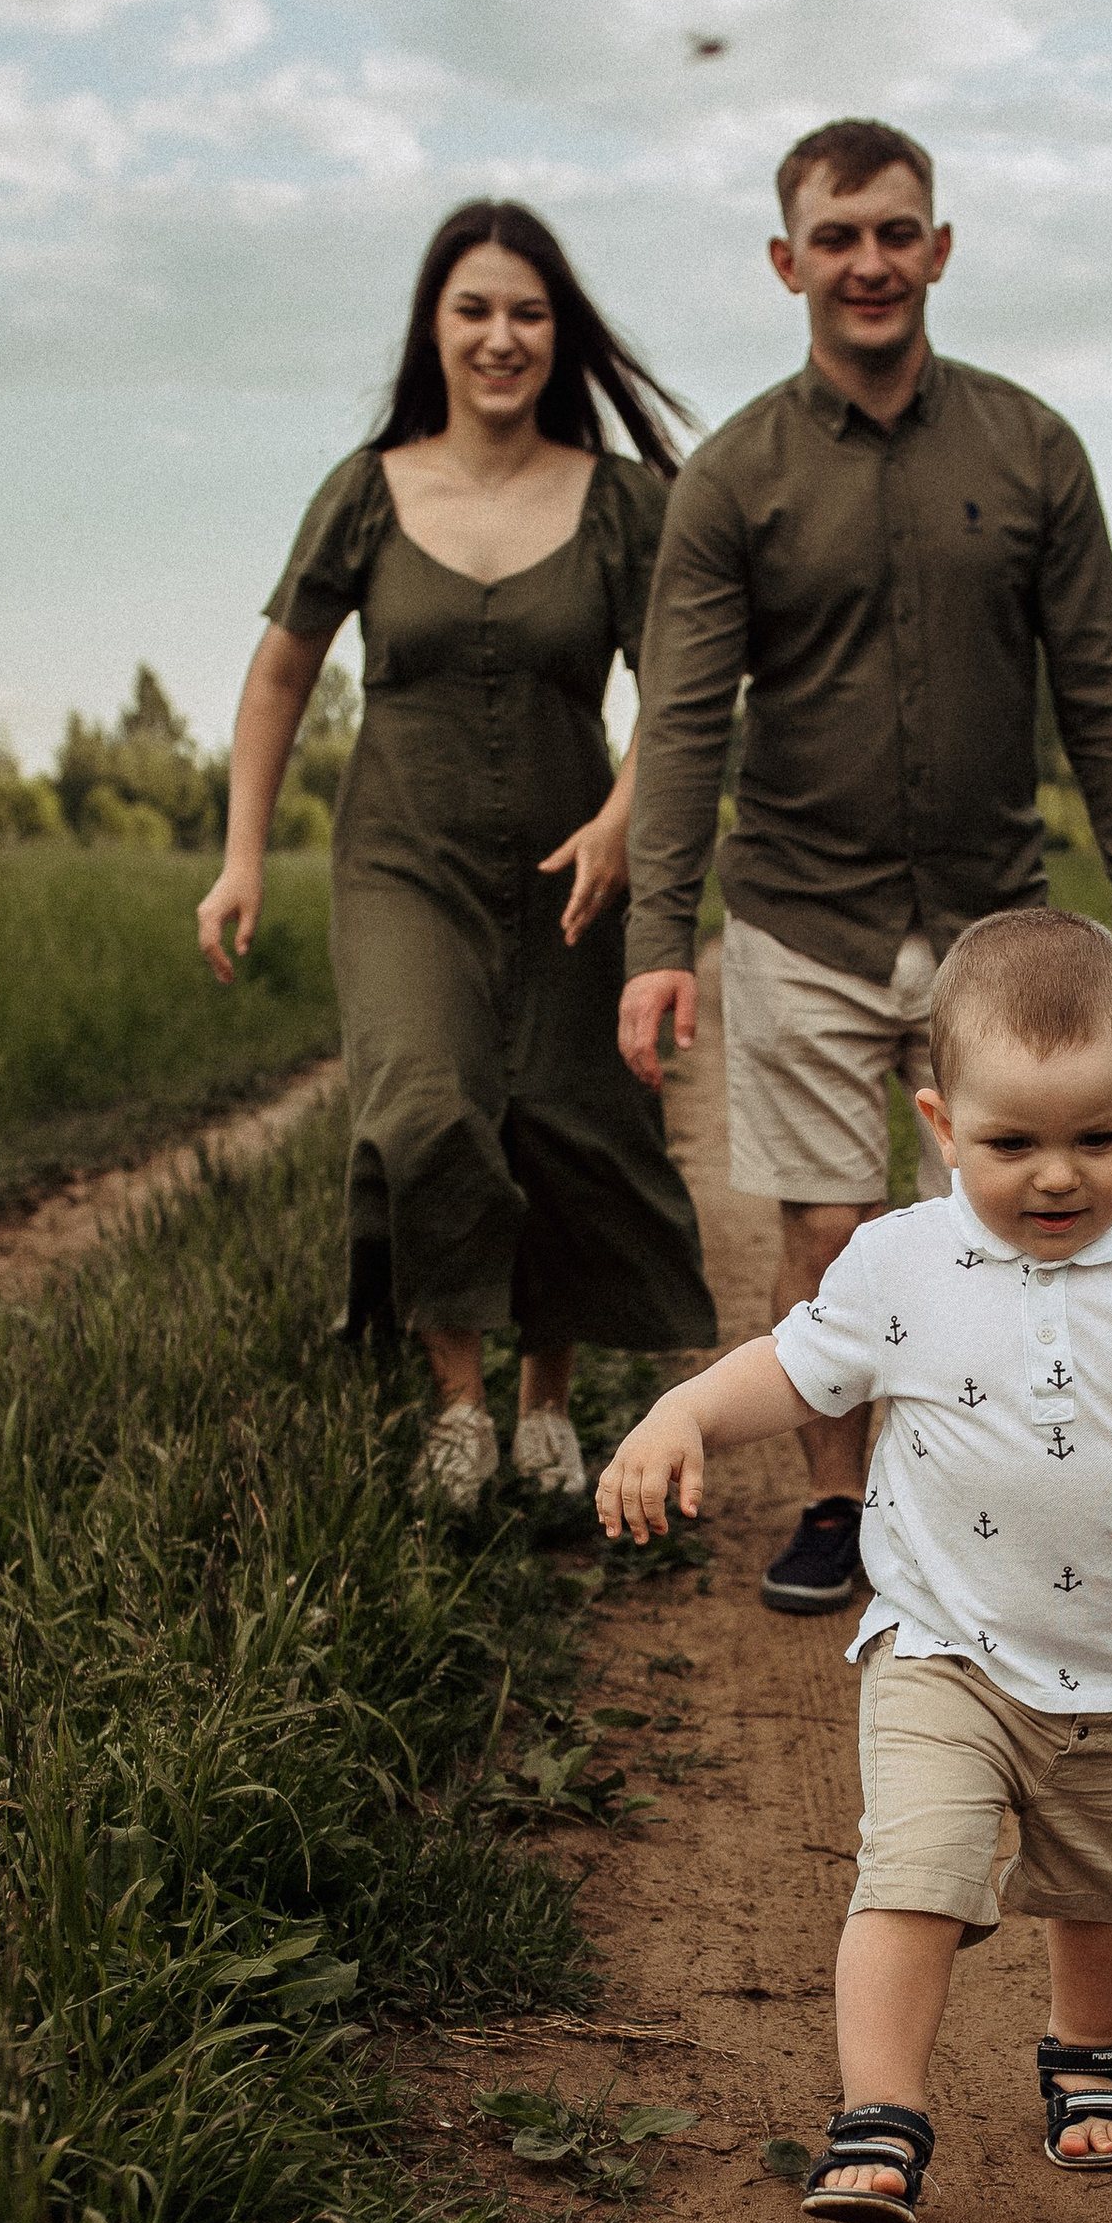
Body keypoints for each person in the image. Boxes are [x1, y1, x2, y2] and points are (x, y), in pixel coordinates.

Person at [595, 909, 1112, 2223]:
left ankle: (1086, 2048)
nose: (1056, 1176)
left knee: (1102, 1887)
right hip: (940, 1648)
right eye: (1012, 1144)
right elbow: (792, 1370)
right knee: (916, 1875)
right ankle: (879, 2109)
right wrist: (684, 1416)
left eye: (1096, 1139)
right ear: (943, 1125)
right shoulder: (899, 1263)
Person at [617, 117, 1112, 1615]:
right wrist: (659, 939)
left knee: (1015, 1220)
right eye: (837, 236)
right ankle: (837, 1505)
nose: (867, 262)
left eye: (894, 231)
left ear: (938, 248)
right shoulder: (733, 477)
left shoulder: (1031, 448)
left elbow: (1103, 691)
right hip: (800, 909)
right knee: (826, 1226)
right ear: (786, 260)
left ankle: (1003, 1503)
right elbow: (683, 722)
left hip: (1000, 922)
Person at [198, 198, 716, 1509]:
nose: (501, 337)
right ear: (432, 328)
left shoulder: (622, 503)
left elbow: (684, 685)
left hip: (575, 865)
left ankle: (544, 1408)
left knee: (563, 1124)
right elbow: (278, 674)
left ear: (560, 333)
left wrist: (626, 815)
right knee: (423, 1107)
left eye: (527, 313)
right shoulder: (367, 491)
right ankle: (458, 1408)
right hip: (401, 865)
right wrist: (242, 859)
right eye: (473, 309)